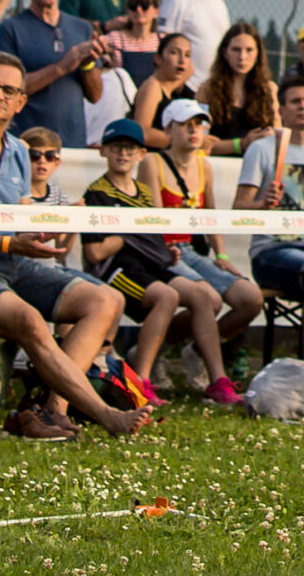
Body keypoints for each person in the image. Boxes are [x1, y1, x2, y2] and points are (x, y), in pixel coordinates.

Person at [0, 52, 145, 439]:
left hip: (12, 262)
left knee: (107, 300)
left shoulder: (20, 150)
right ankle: (105, 414)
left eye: (9, 89)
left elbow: (22, 220)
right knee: (31, 320)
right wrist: (9, 242)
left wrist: (52, 229)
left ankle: (53, 409)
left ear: (21, 101)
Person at [83, 117, 236, 405]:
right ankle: (140, 382)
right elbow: (94, 253)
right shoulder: (96, 193)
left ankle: (218, 381)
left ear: (142, 154)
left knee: (204, 295)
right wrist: (130, 233)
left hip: (148, 264)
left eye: (131, 149)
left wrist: (165, 251)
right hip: (115, 268)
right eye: (116, 147)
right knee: (165, 296)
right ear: (103, 151)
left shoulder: (143, 193)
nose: (123, 154)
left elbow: (152, 237)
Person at [235, 71, 304, 364]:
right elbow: (238, 207)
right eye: (294, 101)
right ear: (281, 110)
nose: (302, 106)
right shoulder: (261, 149)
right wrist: (262, 204)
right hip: (271, 250)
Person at [0, 0, 105, 149]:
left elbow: (95, 95)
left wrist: (87, 66)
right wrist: (61, 68)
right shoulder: (11, 29)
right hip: (26, 147)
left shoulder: (81, 28)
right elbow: (7, 89)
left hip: (71, 146)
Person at [196, 23, 277, 155]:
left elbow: (277, 136)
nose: (242, 57)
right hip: (217, 167)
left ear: (258, 53)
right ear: (224, 52)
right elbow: (200, 143)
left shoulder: (269, 90)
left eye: (249, 50)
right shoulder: (207, 89)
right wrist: (242, 143)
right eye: (236, 49)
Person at [130, 30, 195, 148]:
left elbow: (190, 72)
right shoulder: (152, 87)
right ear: (158, 58)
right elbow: (141, 132)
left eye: (187, 55)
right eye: (174, 52)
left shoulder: (172, 91)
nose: (182, 60)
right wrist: (184, 139)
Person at [103, 0, 162, 87]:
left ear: (156, 11)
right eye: (133, 6)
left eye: (144, 6)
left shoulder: (162, 41)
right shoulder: (114, 39)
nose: (138, 10)